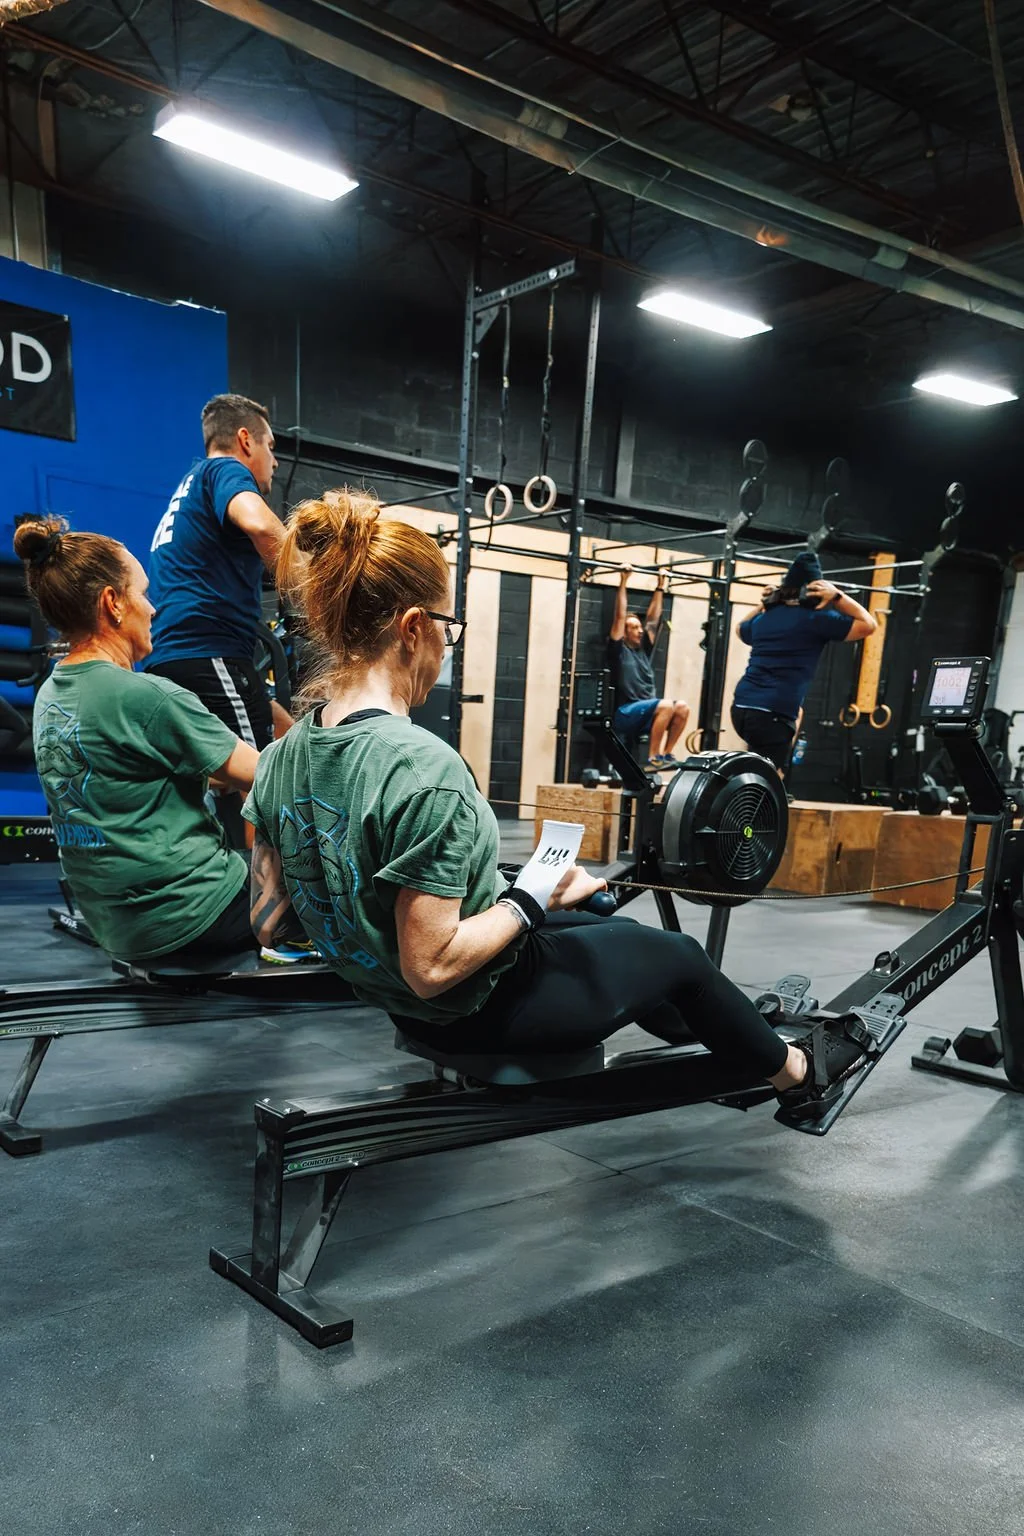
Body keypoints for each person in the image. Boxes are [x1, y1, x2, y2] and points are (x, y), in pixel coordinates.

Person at [241, 489, 873, 1122]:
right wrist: (527, 899)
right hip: (472, 1012)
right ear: (413, 628)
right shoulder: (421, 767)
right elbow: (432, 966)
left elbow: (274, 925)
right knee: (682, 956)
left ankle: (720, 1028)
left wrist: (509, 883)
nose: (444, 647)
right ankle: (798, 1074)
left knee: (617, 929)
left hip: (396, 1003)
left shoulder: (281, 756)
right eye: (447, 629)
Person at [15, 515, 260, 966]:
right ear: (112, 603)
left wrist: (205, 779)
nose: (152, 608)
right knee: (334, 879)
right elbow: (268, 778)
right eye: (142, 593)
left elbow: (117, 778)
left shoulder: (51, 693)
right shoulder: (145, 696)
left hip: (117, 928)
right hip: (198, 918)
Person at [144, 393, 293, 844]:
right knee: (258, 778)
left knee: (289, 732)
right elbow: (263, 527)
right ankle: (253, 903)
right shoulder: (224, 471)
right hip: (209, 654)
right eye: (271, 446)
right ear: (245, 440)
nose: (275, 461)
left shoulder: (190, 486)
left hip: (177, 658)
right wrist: (315, 591)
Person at [732, 551, 877, 773]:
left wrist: (766, 605)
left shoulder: (763, 619)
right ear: (815, 594)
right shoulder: (816, 620)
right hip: (773, 716)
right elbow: (869, 625)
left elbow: (740, 628)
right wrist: (838, 596)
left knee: (792, 721)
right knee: (766, 781)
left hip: (741, 710)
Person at [607, 564, 689, 769]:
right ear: (624, 632)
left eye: (639, 626)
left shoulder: (644, 651)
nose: (640, 630)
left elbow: (653, 620)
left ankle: (667, 754)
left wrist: (660, 586)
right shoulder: (618, 650)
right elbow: (619, 616)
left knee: (682, 708)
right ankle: (653, 758)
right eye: (634, 627)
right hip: (625, 713)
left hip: (648, 714)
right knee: (666, 704)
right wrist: (624, 580)